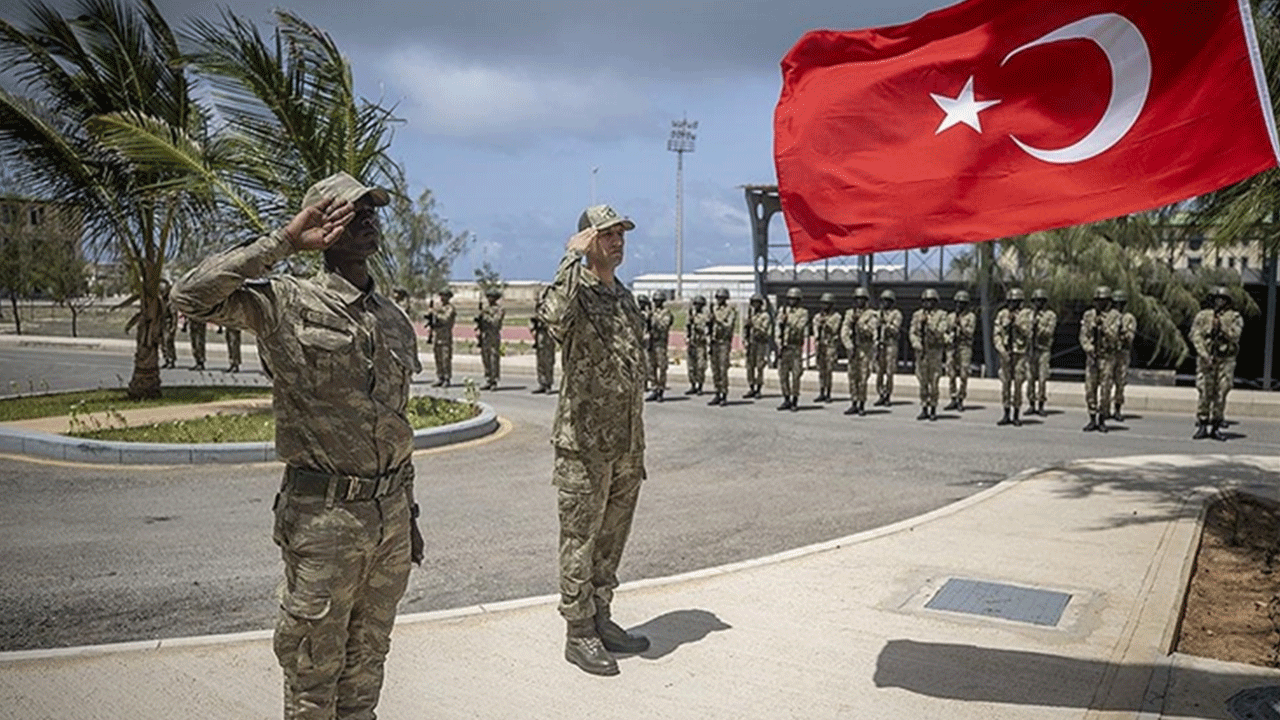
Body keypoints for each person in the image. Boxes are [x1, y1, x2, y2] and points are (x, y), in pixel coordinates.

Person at [171, 171, 424, 720]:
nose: (367, 220)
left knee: (367, 667)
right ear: (321, 225)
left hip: (390, 521)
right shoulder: (285, 302)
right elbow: (190, 295)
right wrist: (284, 241)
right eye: (351, 212)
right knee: (312, 678)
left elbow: (395, 424)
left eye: (371, 211)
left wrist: (409, 515)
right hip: (323, 521)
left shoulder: (393, 319)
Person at [537, 204, 650, 677]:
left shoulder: (624, 297)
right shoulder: (575, 292)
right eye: (606, 235)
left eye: (620, 234)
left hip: (625, 443)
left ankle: (601, 614)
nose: (617, 242)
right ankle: (578, 630)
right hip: (583, 444)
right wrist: (570, 257)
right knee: (580, 540)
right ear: (587, 241)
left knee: (611, 538)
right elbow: (552, 315)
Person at [1190, 286, 1243, 440]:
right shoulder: (1203, 316)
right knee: (1204, 391)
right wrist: (1204, 355)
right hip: (1206, 359)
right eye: (1217, 299)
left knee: (1221, 392)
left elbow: (1236, 336)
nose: (1219, 302)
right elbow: (1196, 336)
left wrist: (1222, 329)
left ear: (1227, 301)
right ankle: (1202, 423)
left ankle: (1216, 425)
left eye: (1222, 299)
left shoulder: (1234, 317)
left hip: (1225, 360)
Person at [1080, 285, 1120, 433]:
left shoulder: (1114, 316)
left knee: (1105, 389)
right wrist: (1089, 348)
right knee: (1090, 388)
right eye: (1097, 300)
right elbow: (1083, 335)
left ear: (1108, 301)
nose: (1099, 303)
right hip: (1092, 357)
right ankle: (1092, 418)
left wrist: (1103, 326)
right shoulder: (1088, 315)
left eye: (1102, 300)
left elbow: (1114, 336)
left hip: (1107, 357)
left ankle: (1102, 418)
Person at [909, 288, 950, 421]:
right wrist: (916, 344)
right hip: (922, 353)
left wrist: (929, 323)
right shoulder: (917, 315)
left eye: (931, 301)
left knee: (934, 382)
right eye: (925, 301)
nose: (928, 304)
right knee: (922, 382)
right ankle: (924, 407)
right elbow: (912, 332)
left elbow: (941, 331)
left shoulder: (941, 315)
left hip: (934, 353)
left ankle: (933, 408)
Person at [993, 288, 1029, 426]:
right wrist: (1002, 350)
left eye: (1015, 302)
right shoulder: (1002, 314)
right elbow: (996, 334)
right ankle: (1006, 412)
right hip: (1006, 353)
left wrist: (1017, 323)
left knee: (1018, 383)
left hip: (1019, 353)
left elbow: (1028, 332)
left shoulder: (1026, 314)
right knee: (1005, 384)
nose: (1012, 304)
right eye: (1010, 301)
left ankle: (1016, 414)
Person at [840, 286, 878, 416]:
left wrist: (860, 324)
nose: (859, 302)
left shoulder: (871, 314)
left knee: (862, 378)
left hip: (865, 350)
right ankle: (854, 402)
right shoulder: (849, 314)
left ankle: (861, 403)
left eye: (862, 299)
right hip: (853, 350)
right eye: (857, 299)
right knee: (852, 377)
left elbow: (872, 331)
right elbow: (844, 331)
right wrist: (849, 346)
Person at [775, 287, 809, 411]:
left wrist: (787, 321)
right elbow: (777, 328)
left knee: (796, 375)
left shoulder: (803, 312)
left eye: (794, 299)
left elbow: (800, 326)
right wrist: (778, 343)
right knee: (782, 375)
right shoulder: (782, 310)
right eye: (790, 299)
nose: (791, 301)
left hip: (795, 347)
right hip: (784, 347)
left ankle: (794, 399)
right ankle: (786, 398)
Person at [1025, 289, 1057, 416]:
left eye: (1041, 301)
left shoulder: (1050, 315)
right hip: (1030, 350)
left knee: (1042, 379)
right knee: (1030, 378)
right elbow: (1023, 329)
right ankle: (1031, 403)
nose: (1038, 303)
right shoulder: (1028, 315)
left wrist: (1038, 326)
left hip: (1043, 350)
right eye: (1036, 301)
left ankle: (1041, 404)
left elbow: (1049, 332)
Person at [944, 290, 975, 411]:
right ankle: (953, 397)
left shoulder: (970, 317)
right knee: (951, 373)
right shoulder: (950, 316)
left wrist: (961, 325)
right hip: (952, 346)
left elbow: (970, 332)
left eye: (962, 303)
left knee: (964, 374)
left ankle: (961, 398)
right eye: (957, 303)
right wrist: (948, 339)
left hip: (964, 346)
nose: (959, 305)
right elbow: (944, 332)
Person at [707, 288, 737, 405]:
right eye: (718, 298)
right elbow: (708, 325)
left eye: (721, 298)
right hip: (714, 342)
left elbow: (728, 325)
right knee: (715, 370)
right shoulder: (714, 309)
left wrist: (717, 320)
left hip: (724, 342)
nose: (719, 300)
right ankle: (717, 392)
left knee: (723, 369)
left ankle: (724, 393)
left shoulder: (730, 311)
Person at [1111, 290, 1137, 421]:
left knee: (1120, 383)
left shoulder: (1129, 318)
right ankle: (1104, 409)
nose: (1118, 306)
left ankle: (1117, 408)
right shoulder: (1109, 317)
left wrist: (1122, 332)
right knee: (1106, 382)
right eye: (1116, 303)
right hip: (1110, 353)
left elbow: (1130, 337)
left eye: (1120, 304)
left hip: (1122, 354)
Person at [811, 292, 841, 403]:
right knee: (821, 370)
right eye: (823, 303)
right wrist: (819, 327)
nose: (825, 306)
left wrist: (826, 324)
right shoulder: (817, 317)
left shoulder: (836, 317)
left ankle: (828, 393)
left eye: (827, 304)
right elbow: (815, 330)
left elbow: (834, 329)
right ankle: (821, 391)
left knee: (828, 370)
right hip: (821, 345)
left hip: (830, 346)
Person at [873, 289, 902, 406]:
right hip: (880, 345)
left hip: (890, 345)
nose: (885, 303)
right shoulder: (877, 314)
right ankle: (881, 393)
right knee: (879, 371)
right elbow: (873, 327)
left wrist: (886, 324)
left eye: (887, 301)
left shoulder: (896, 314)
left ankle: (888, 394)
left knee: (890, 372)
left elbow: (896, 329)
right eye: (883, 301)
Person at [425, 288, 456, 386]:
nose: (442, 297)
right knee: (437, 358)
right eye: (441, 295)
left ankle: (447, 378)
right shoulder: (438, 307)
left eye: (445, 295)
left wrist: (435, 314)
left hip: (445, 337)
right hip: (437, 336)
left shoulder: (450, 308)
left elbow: (446, 319)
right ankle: (440, 376)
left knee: (445, 358)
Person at [743, 293, 772, 399]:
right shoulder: (750, 316)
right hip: (751, 343)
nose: (755, 305)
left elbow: (765, 330)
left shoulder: (765, 316)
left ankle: (758, 388)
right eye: (753, 303)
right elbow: (745, 329)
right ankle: (751, 386)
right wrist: (745, 339)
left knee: (759, 366)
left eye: (757, 303)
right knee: (749, 366)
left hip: (760, 343)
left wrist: (754, 325)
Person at [476, 287, 505, 390]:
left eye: (491, 297)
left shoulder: (499, 309)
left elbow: (495, 322)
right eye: (488, 296)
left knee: (493, 358)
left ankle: (494, 380)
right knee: (485, 357)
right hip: (485, 335)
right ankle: (488, 378)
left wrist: (485, 316)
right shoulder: (485, 309)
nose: (489, 299)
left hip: (493, 335)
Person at [646, 291, 673, 402]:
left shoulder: (666, 313)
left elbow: (664, 325)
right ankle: (654, 388)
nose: (656, 303)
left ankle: (661, 390)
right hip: (651, 342)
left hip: (660, 343)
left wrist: (654, 320)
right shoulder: (651, 312)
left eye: (658, 301)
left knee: (662, 367)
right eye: (655, 301)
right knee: (650, 367)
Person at [530, 287, 556, 393]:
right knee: (540, 361)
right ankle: (541, 383)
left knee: (548, 361)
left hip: (548, 335)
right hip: (540, 335)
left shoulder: (552, 306)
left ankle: (548, 384)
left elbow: (553, 319)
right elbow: (533, 319)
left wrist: (543, 319)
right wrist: (533, 327)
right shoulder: (539, 307)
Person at [685, 295, 711, 395]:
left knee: (701, 366)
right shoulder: (691, 315)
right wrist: (687, 337)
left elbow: (704, 328)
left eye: (699, 304)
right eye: (695, 304)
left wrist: (695, 322)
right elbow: (687, 328)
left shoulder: (705, 316)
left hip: (701, 343)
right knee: (691, 366)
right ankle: (692, 385)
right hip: (692, 343)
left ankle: (700, 386)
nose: (697, 306)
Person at [159, 278, 177, 369]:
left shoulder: (170, 302)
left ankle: (171, 359)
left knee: (168, 342)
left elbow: (174, 316)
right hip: (161, 324)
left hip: (168, 324)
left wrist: (173, 327)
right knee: (162, 343)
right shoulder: (160, 301)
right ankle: (166, 359)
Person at [636, 293, 653, 394]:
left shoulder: (648, 314)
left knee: (646, 362)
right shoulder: (635, 311)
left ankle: (645, 383)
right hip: (637, 338)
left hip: (645, 338)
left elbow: (650, 324)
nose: (641, 304)